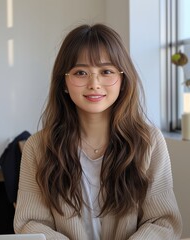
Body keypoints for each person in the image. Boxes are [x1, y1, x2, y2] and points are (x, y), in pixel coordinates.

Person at [14, 23, 182, 240]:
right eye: (81, 72)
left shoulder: (149, 142)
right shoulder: (37, 147)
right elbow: (30, 223)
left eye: (106, 71)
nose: (94, 84)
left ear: (122, 80)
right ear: (64, 82)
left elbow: (163, 222)